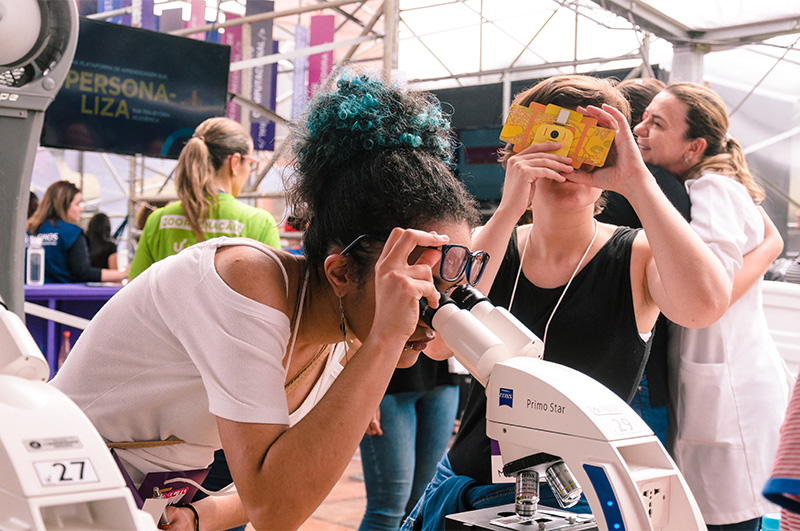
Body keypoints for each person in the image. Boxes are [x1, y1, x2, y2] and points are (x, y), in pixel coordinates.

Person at [50, 70, 484, 531]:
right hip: (53, 477)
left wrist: (202, 514)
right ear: (340, 273)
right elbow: (276, 510)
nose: (431, 315)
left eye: (446, 290)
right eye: (411, 290)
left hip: (142, 499)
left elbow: (290, 477)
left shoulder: (342, 335)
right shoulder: (247, 280)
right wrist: (383, 341)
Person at [403, 74, 732, 531]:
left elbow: (707, 305)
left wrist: (635, 180)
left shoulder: (634, 256)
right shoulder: (492, 244)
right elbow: (439, 346)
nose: (568, 160)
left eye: (591, 144)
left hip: (581, 504)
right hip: (465, 484)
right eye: (549, 140)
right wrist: (509, 207)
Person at [633, 81, 791, 530]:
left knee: (727, 519)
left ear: (694, 146)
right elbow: (767, 241)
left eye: (656, 123)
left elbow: (711, 291)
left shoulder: (711, 188)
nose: (640, 129)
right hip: (727, 376)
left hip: (729, 390)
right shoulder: (712, 183)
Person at [128, 116, 281, 279]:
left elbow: (134, 288)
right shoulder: (260, 222)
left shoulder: (158, 220)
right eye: (250, 163)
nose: (249, 172)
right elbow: (273, 296)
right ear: (235, 162)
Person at [359, 349, 460, 530]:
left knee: (420, 506)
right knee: (386, 509)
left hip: (441, 373)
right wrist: (364, 387)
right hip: (387, 377)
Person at [25, 180, 129, 284]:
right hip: (62, 296)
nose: (81, 209)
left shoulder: (28, 231)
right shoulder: (72, 233)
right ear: (64, 205)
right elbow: (82, 272)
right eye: (77, 204)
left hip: (28, 295)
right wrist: (122, 274)